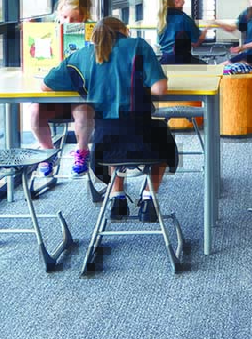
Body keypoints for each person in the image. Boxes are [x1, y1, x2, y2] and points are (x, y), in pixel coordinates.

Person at [41, 17, 177, 222]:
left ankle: (117, 198)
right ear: (124, 30)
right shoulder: (138, 46)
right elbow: (160, 89)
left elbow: (46, 84)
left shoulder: (81, 55)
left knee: (114, 137)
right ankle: (149, 198)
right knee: (165, 141)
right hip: (144, 136)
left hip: (103, 144)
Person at [30, 0, 95, 179]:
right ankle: (47, 152)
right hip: (55, 93)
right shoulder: (51, 31)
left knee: (83, 111)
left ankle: (82, 151)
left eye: (75, 18)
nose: (68, 22)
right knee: (35, 112)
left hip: (81, 94)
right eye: (65, 17)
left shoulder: (95, 32)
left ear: (85, 17)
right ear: (59, 14)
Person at [157, 0, 207, 65]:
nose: (184, 1)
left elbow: (163, 43)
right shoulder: (184, 19)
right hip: (182, 61)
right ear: (177, 0)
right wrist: (205, 31)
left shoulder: (161, 21)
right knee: (207, 67)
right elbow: (196, 42)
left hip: (164, 62)